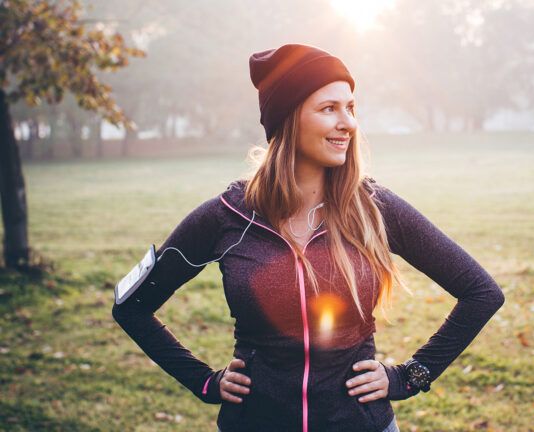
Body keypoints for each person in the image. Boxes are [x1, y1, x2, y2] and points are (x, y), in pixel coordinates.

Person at [111, 43, 505, 432]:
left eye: (351, 108)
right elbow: (132, 307)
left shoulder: (373, 207)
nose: (348, 123)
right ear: (288, 119)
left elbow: (481, 292)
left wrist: (411, 376)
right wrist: (204, 381)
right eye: (329, 108)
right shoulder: (226, 217)